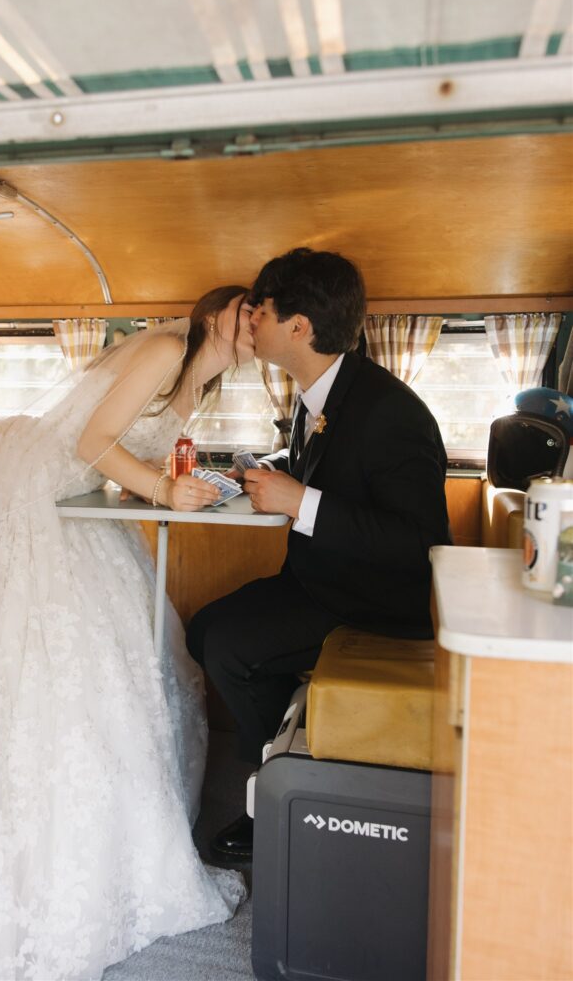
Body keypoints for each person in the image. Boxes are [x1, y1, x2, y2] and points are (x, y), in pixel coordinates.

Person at [0, 287, 254, 981]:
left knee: (147, 654)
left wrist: (193, 483)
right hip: (30, 493)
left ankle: (127, 839)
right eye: (247, 311)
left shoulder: (196, 383)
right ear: (215, 315)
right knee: (78, 661)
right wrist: (160, 490)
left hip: (70, 501)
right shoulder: (166, 348)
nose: (256, 324)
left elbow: (126, 454)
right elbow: (90, 443)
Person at [186, 248, 451, 861]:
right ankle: (290, 753)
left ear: (299, 327)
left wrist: (299, 499)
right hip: (319, 582)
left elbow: (419, 543)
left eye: (263, 310)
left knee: (228, 645)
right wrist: (274, 473)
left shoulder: (388, 411)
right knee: (205, 630)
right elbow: (338, 471)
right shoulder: (323, 391)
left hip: (374, 603)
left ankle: (271, 799)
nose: (251, 319)